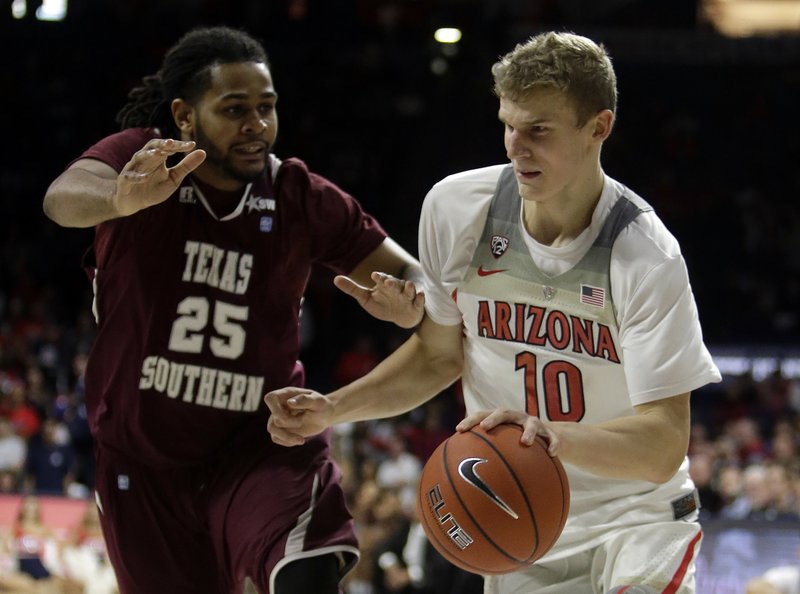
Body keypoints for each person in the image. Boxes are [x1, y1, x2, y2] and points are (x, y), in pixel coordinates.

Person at [266, 31, 722, 593]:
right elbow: (437, 357)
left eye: (539, 130)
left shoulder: (644, 254)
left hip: (634, 524)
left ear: (598, 128)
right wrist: (331, 408)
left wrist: (551, 438)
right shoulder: (457, 209)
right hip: (518, 526)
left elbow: (660, 446)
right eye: (509, 124)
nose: (515, 146)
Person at [42, 25, 425, 594]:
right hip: (141, 460)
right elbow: (61, 199)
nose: (257, 125)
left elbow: (409, 275)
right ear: (185, 115)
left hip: (261, 442)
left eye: (267, 108)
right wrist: (120, 198)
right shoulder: (140, 162)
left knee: (307, 574)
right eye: (235, 109)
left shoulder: (298, 194)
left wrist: (407, 303)